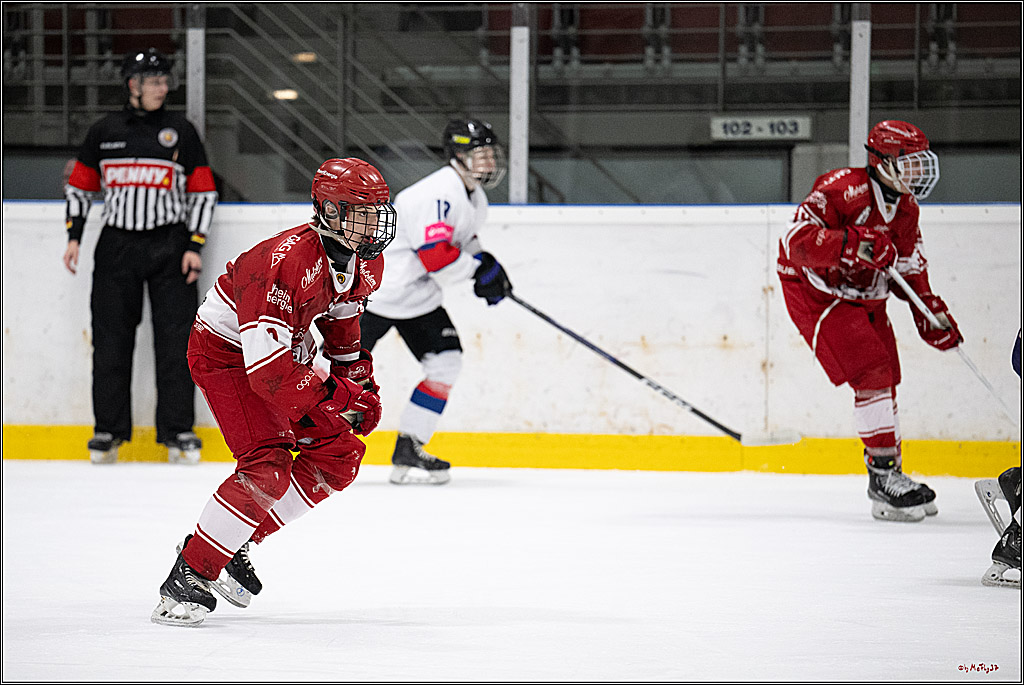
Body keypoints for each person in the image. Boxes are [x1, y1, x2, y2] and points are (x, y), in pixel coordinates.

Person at [150, 158, 397, 627]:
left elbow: (342, 326)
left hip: (280, 356)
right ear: (329, 210)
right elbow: (268, 374)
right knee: (267, 465)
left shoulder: (364, 259)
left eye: (377, 211)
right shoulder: (283, 263)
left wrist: (360, 384)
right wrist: (340, 397)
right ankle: (190, 572)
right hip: (225, 356)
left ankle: (233, 540)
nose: (374, 224)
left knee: (339, 455)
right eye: (362, 213)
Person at [778, 120, 961, 523]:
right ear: (883, 161)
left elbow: (908, 266)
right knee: (872, 372)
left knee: (887, 375)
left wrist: (928, 311)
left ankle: (890, 475)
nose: (918, 172)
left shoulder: (907, 208)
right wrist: (852, 244)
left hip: (866, 290)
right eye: (910, 163)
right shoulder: (840, 189)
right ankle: (882, 477)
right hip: (818, 291)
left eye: (921, 162)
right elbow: (794, 242)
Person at [63, 48, 218, 465]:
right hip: (117, 247)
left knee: (177, 341)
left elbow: (204, 192)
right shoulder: (104, 131)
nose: (162, 88)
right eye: (154, 82)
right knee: (110, 340)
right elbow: (80, 187)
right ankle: (108, 431)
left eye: (165, 81)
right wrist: (74, 236)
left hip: (171, 246)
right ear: (132, 84)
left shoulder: (181, 131)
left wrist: (195, 245)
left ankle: (178, 430)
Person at [359, 118, 513, 486]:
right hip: (378, 294)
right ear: (458, 156)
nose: (490, 162)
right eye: (481, 154)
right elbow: (436, 256)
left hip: (417, 296)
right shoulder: (437, 193)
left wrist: (486, 262)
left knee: (446, 364)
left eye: (491, 154)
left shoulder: (474, 197)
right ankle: (297, 442)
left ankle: (410, 447)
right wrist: (476, 271)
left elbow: (463, 241)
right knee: (331, 372)